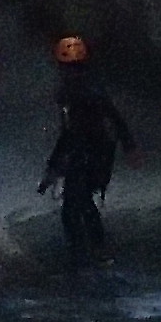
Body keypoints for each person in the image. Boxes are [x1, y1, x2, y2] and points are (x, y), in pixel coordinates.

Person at [39, 34, 138, 269]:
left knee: (73, 206)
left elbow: (71, 133)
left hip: (88, 152)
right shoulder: (88, 86)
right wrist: (128, 145)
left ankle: (83, 253)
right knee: (82, 201)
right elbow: (110, 117)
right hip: (96, 151)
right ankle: (96, 248)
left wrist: (54, 166)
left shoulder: (75, 91)